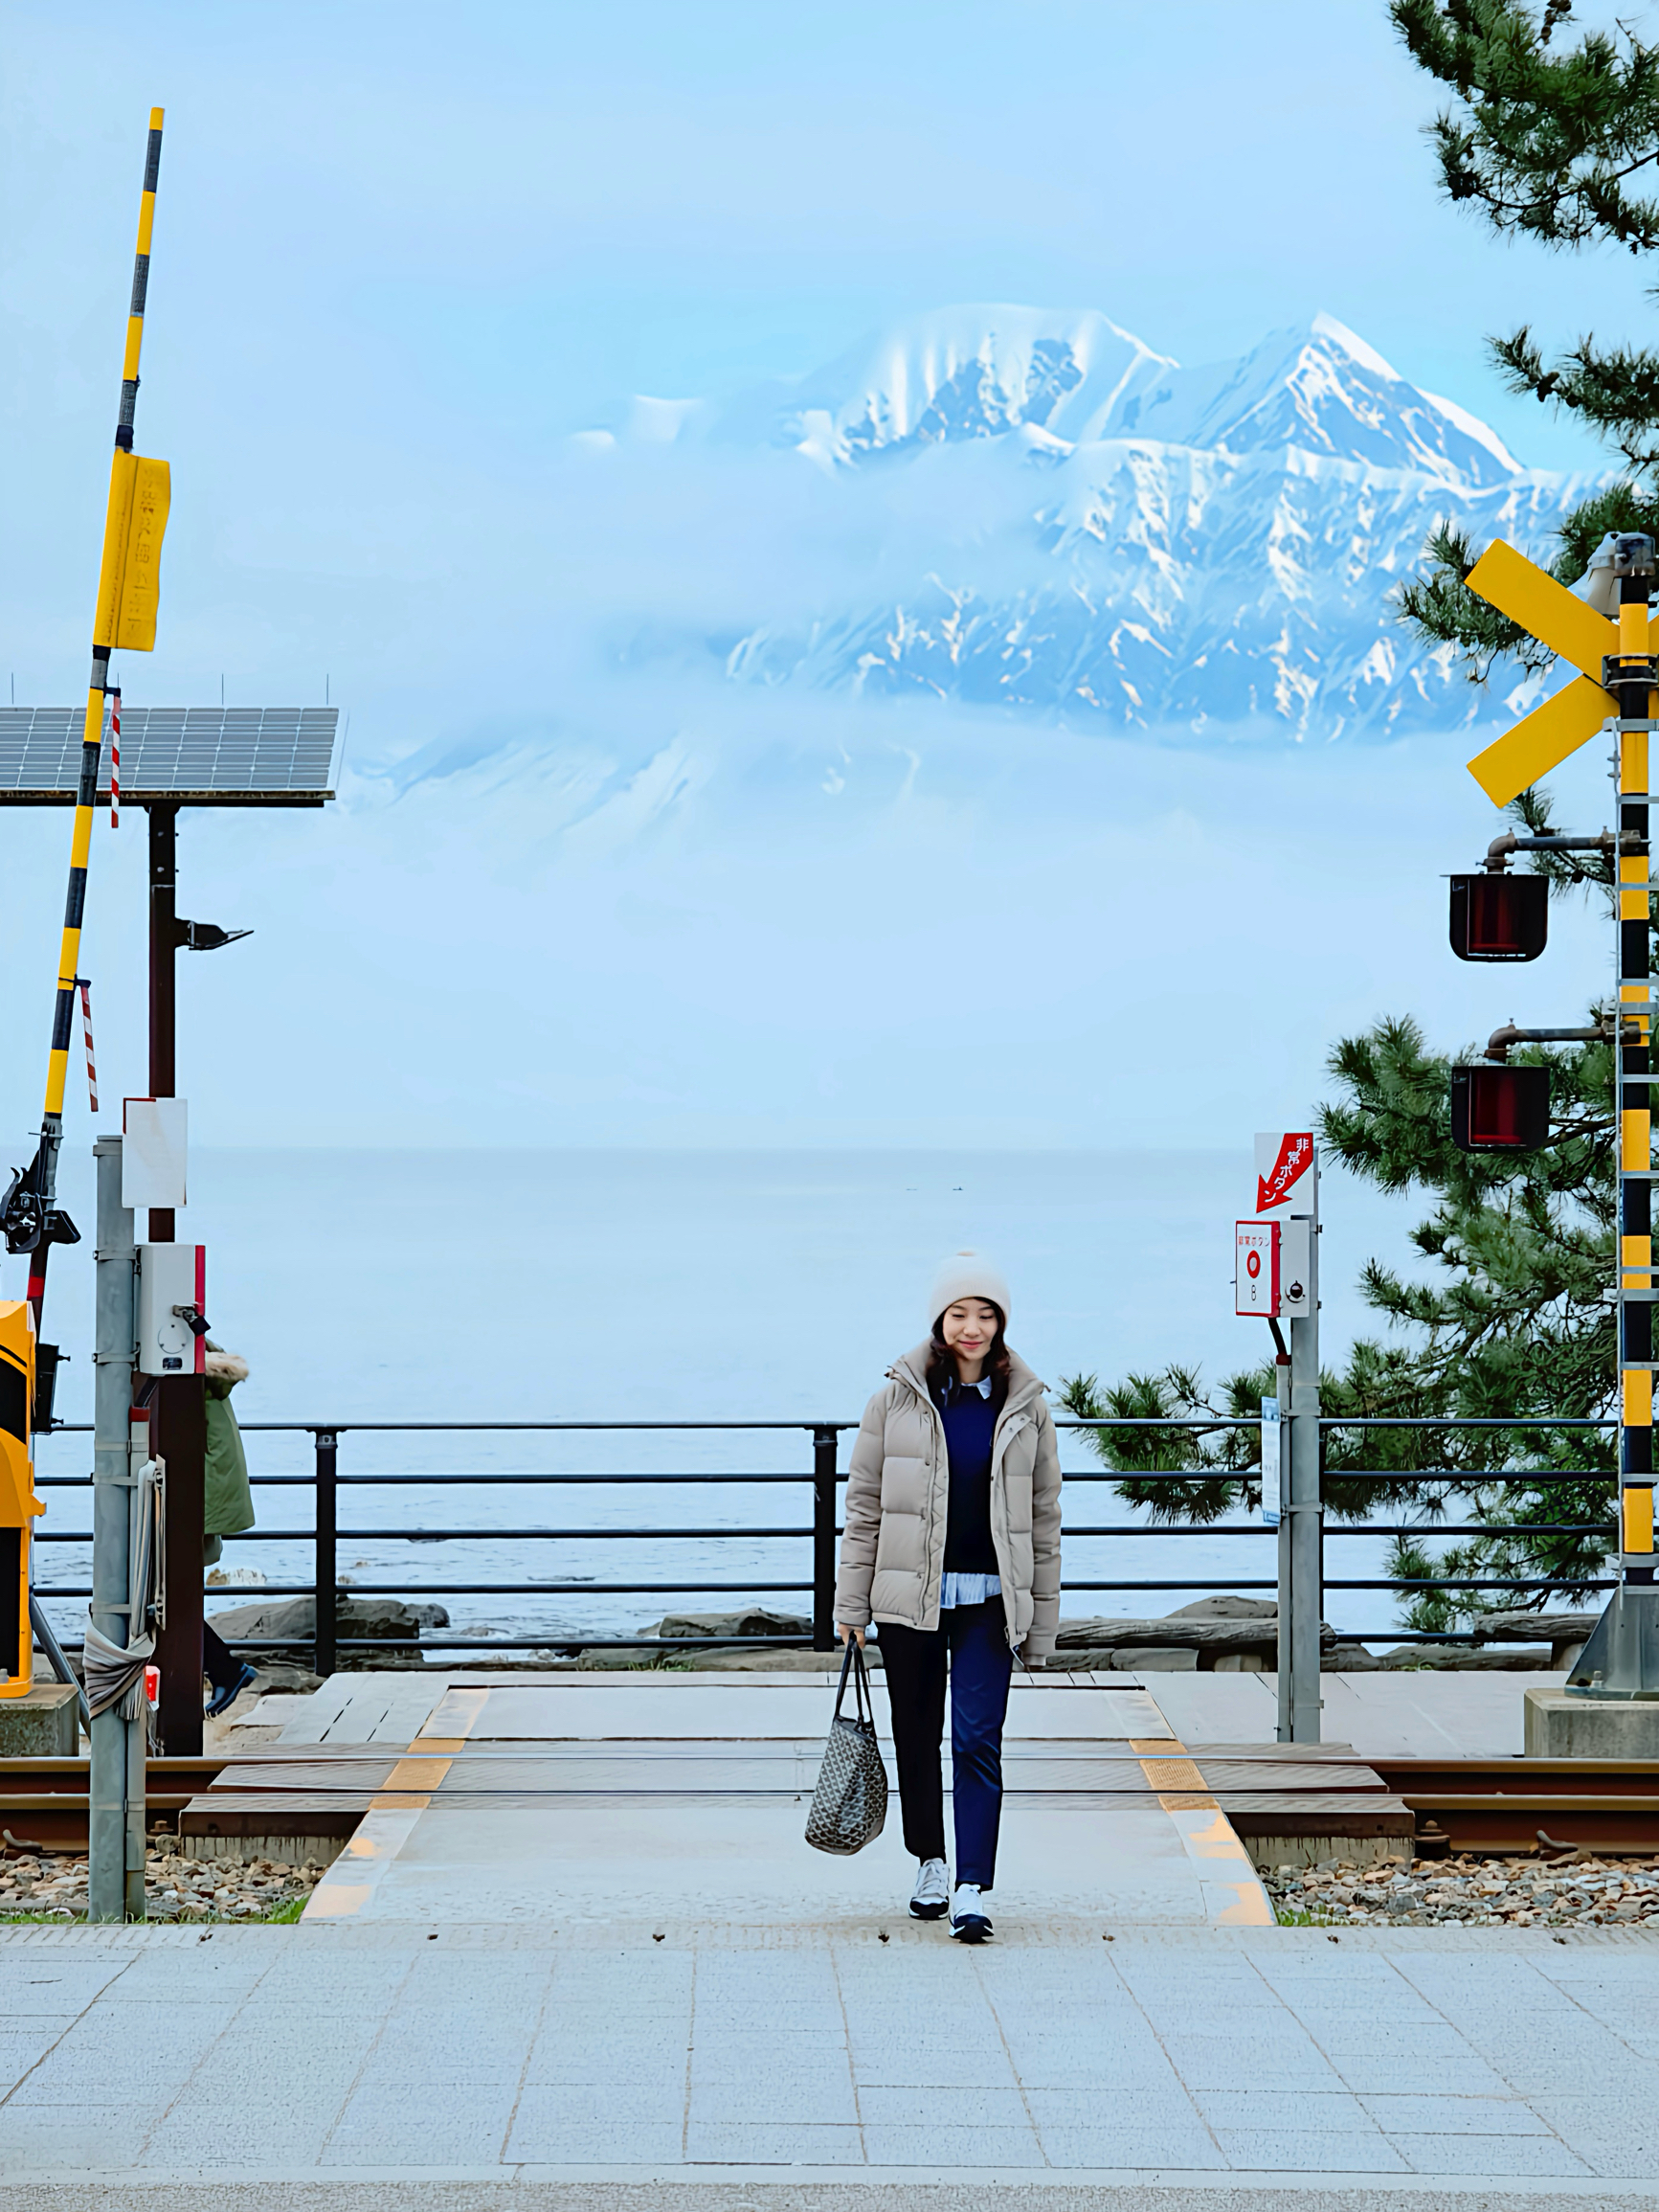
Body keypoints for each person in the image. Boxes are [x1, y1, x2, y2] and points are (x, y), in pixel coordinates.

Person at [835, 1252, 1062, 1942]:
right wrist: (850, 1608)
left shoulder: (1026, 1407)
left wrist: (1043, 1623)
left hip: (992, 1601)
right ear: (939, 1319)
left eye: (985, 1314)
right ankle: (929, 1863)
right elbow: (865, 1508)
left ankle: (972, 1885)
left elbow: (1044, 1518)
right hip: (908, 1598)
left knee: (976, 1741)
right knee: (916, 1735)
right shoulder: (894, 1400)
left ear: (1000, 1323)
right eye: (959, 1313)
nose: (972, 1326)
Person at [202, 1344, 258, 1718]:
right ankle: (223, 1668)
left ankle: (225, 1669)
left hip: (196, 1499)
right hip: (205, 1497)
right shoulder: (211, 1384)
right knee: (169, 1600)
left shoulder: (188, 1382)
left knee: (166, 1602)